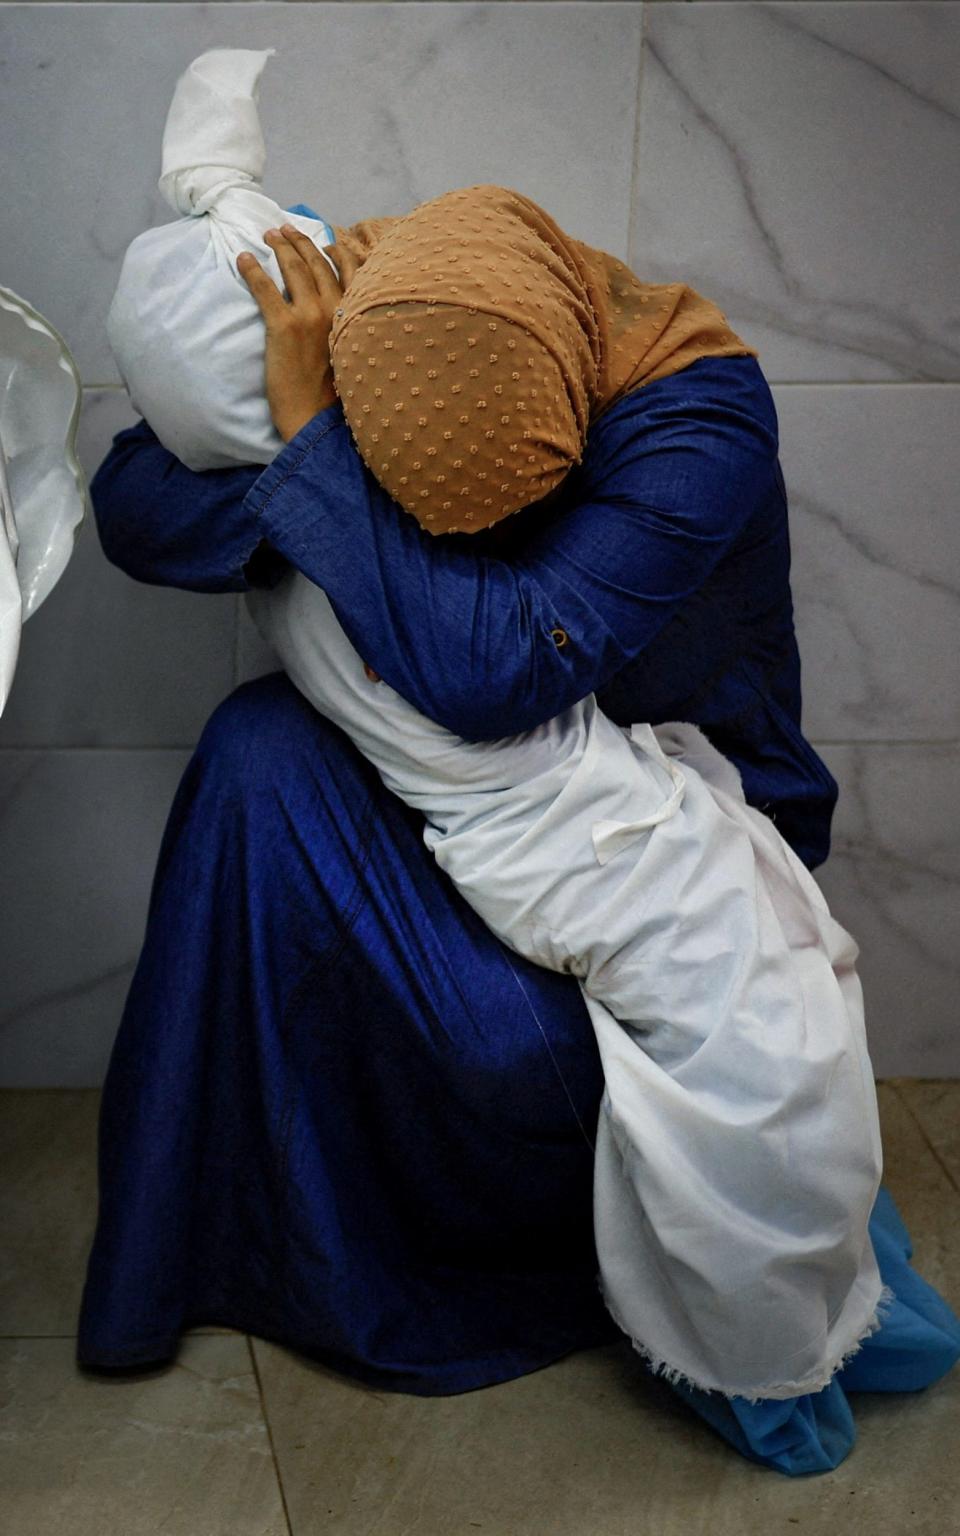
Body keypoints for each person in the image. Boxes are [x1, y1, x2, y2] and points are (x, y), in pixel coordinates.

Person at [77, 183, 960, 1475]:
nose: (460, 510)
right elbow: (141, 514)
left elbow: (494, 670)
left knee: (515, 1041)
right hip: (469, 778)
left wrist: (321, 439)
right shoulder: (403, 323)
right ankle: (222, 1249)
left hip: (658, 794)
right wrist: (315, 418)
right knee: (257, 751)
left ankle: (687, 1293)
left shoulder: (696, 421)